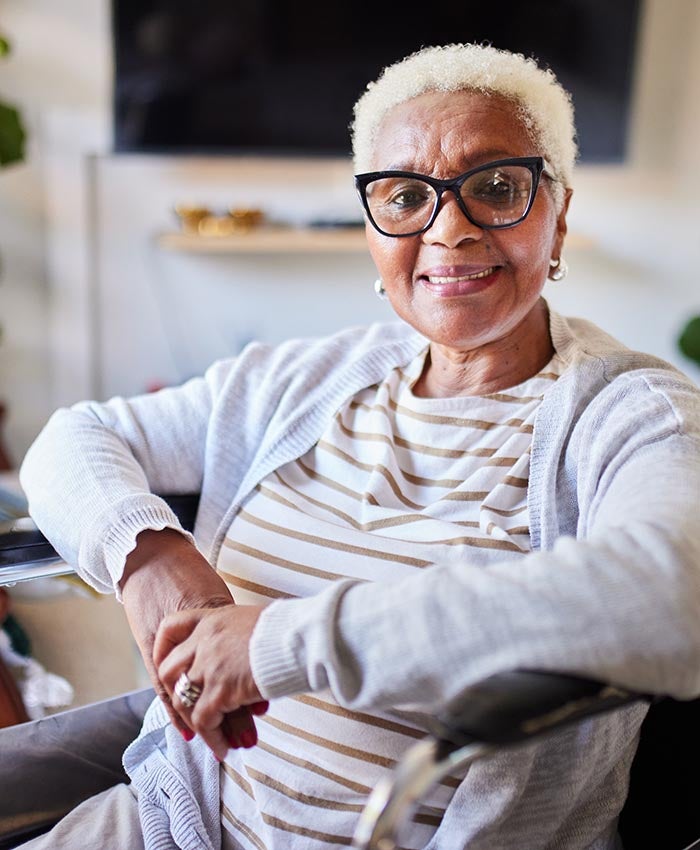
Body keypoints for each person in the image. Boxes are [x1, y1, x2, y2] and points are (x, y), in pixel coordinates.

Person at [17, 41, 700, 850]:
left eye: (497, 188)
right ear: (374, 226)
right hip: (179, 821)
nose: (450, 229)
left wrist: (281, 643)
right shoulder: (297, 379)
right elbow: (72, 439)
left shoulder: (631, 410)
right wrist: (149, 553)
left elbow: (670, 596)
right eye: (407, 196)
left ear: (557, 213)